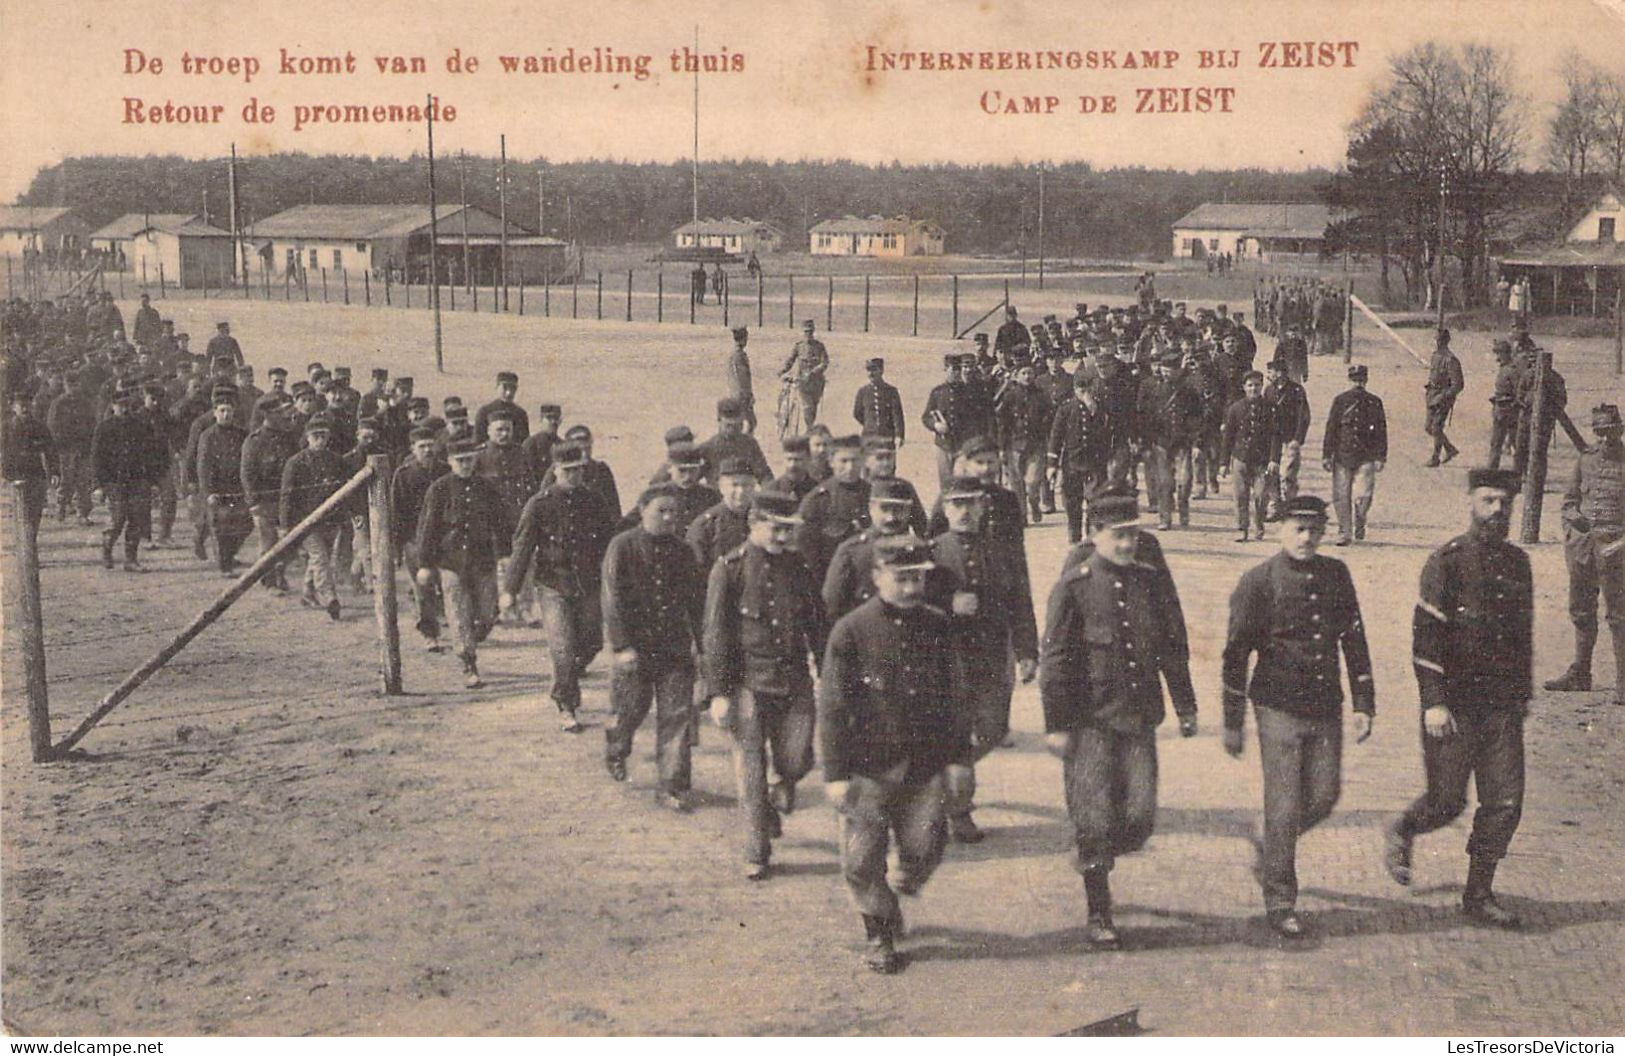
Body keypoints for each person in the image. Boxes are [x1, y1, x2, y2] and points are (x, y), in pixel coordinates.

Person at [1040, 490, 1197, 948]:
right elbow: (1056, 662)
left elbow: (1172, 646)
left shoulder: (1150, 582)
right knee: (1093, 819)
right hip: (1089, 721)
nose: (1127, 545)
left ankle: (1095, 854)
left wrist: (1186, 706)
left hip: (1139, 716)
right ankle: (1099, 908)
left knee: (1139, 817)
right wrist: (1056, 726)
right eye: (1117, 536)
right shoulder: (1074, 587)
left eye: (1132, 535)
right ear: (1094, 535)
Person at [1221, 495, 1375, 938]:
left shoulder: (1337, 576)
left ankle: (1271, 846)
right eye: (1298, 528)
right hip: (1276, 704)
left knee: (1324, 797)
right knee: (1285, 804)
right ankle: (1281, 898)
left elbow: (1354, 640)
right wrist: (1233, 722)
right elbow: (1235, 656)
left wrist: (1365, 703)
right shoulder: (1258, 582)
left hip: (1326, 703)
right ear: (1279, 529)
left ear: (1325, 533)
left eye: (1314, 530)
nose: (1306, 538)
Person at [1385, 469, 1531, 929]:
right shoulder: (1445, 562)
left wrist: (1521, 699)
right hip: (1453, 706)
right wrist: (1434, 701)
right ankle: (1404, 828)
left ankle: (1479, 892)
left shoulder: (1518, 563)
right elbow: (1425, 639)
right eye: (1488, 500)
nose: (1497, 511)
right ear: (1470, 501)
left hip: (1501, 707)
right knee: (1447, 803)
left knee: (1506, 803)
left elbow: (1521, 639)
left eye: (1504, 502)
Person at [818, 533, 969, 974]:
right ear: (878, 577)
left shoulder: (939, 626)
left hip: (924, 766)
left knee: (924, 847)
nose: (910, 589)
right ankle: (880, 935)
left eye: (917, 579)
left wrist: (959, 758)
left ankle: (904, 881)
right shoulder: (851, 631)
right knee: (862, 861)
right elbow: (832, 707)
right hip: (867, 767)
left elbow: (957, 697)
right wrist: (835, 774)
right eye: (900, 579)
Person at [705, 490, 829, 877]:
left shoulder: (799, 568)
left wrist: (828, 673)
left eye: (787, 530)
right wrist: (719, 693)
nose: (781, 537)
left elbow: (819, 627)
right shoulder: (729, 569)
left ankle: (785, 784)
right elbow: (716, 635)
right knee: (750, 772)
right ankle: (756, 851)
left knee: (796, 758)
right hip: (747, 685)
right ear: (754, 525)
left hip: (794, 682)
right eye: (775, 529)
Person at [928, 476, 1038, 843]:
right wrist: (948, 604)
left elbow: (1020, 600)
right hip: (949, 658)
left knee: (992, 729)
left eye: (970, 504)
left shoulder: (1001, 550)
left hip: (993, 655)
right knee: (957, 734)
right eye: (956, 504)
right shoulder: (932, 552)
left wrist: (1027, 651)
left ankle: (941, 777)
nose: (963, 511)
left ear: (982, 507)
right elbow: (914, 605)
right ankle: (958, 811)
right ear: (945, 509)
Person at [602, 483, 707, 806]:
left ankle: (671, 785)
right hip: (636, 650)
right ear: (643, 509)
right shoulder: (622, 546)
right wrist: (622, 646)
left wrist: (702, 648)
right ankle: (617, 748)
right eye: (661, 510)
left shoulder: (683, 551)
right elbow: (611, 599)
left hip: (674, 650)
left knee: (677, 717)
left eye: (674, 512)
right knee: (629, 711)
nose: (668, 517)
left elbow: (696, 603)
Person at [504, 440, 618, 732]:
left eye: (578, 470)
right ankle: (567, 704)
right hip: (553, 584)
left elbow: (611, 543)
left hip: (589, 584)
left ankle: (569, 673)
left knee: (592, 640)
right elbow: (523, 548)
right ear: (555, 470)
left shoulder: (594, 501)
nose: (573, 476)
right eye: (567, 471)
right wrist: (509, 590)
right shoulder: (539, 504)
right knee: (562, 648)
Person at [416, 439, 515, 687]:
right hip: (451, 561)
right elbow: (428, 528)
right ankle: (467, 662)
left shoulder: (487, 488)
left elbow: (502, 524)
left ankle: (476, 634)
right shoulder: (439, 489)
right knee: (458, 611)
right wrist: (425, 564)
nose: (465, 465)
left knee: (487, 612)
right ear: (450, 462)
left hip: (482, 560)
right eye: (460, 461)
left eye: (469, 460)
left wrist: (505, 553)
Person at [1544, 404, 1624, 703]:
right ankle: (1581, 673)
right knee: (1580, 610)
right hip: (1584, 550)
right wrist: (1573, 530)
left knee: (1619, 616)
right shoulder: (1585, 460)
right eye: (1600, 433)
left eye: (1610, 433)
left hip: (1618, 551)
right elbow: (1568, 502)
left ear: (1620, 431)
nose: (1605, 440)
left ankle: (1623, 682)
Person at [280, 414, 350, 620]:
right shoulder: (295, 463)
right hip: (306, 521)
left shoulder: (336, 461)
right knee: (319, 556)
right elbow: (287, 495)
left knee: (322, 557)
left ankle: (308, 592)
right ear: (307, 437)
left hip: (330, 520)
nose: (320, 440)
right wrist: (285, 525)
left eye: (323, 436)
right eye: (315, 436)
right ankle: (330, 598)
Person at [821, 478, 917, 621]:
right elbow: (832, 604)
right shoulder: (851, 551)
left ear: (908, 510)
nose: (891, 517)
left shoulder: (919, 551)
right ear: (871, 508)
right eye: (884, 508)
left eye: (898, 509)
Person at [91, 386, 161, 572]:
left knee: (136, 519)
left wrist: (153, 482)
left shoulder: (140, 426)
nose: (124, 408)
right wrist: (98, 485)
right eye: (119, 405)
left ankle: (131, 559)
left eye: (126, 405)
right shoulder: (104, 428)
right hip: (114, 481)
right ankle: (107, 547)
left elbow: (150, 455)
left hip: (137, 480)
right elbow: (97, 458)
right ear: (112, 406)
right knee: (118, 518)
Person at [391, 427, 448, 652]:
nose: (427, 450)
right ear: (413, 449)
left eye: (430, 445)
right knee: (423, 587)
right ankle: (429, 633)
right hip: (415, 540)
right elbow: (397, 514)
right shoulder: (404, 475)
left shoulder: (446, 471)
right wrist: (397, 548)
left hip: (444, 540)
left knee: (448, 583)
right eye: (422, 446)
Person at [1322, 364, 1388, 546]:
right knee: (1341, 495)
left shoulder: (1375, 402)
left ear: (1366, 381)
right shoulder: (1340, 401)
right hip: (1343, 455)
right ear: (1349, 380)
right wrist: (1327, 455)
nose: (1357, 383)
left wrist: (1381, 456)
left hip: (1366, 456)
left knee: (1364, 495)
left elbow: (1381, 431)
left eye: (1361, 380)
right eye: (1354, 380)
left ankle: (1360, 518)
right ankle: (1344, 531)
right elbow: (1331, 429)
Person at [795, 434, 869, 585]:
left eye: (855, 460)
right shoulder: (817, 500)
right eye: (843, 461)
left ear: (863, 461)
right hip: (828, 579)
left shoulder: (873, 495)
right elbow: (806, 552)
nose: (850, 467)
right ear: (831, 462)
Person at [1047, 372, 1110, 544]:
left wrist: (1094, 411)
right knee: (1072, 501)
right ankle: (1074, 536)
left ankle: (1091, 536)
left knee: (1094, 499)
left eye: (1087, 388)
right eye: (1080, 388)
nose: (1084, 392)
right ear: (1074, 389)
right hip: (1072, 462)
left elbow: (1105, 432)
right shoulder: (1066, 408)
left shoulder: (1100, 407)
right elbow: (1056, 436)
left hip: (1094, 462)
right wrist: (1052, 464)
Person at [195, 386, 251, 576]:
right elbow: (203, 467)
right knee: (222, 527)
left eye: (229, 411)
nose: (226, 414)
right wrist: (208, 492)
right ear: (215, 413)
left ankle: (226, 552)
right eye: (222, 411)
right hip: (216, 488)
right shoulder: (208, 436)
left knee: (246, 524)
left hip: (237, 487)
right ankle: (225, 566)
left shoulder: (242, 434)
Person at [1220, 371, 1279, 543]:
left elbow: (1276, 435)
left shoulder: (1270, 408)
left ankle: (1259, 523)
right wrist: (1224, 462)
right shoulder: (1235, 408)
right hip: (1240, 458)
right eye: (1250, 385)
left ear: (1262, 387)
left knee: (1261, 496)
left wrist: (1274, 459)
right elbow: (1228, 437)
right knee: (1240, 495)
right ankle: (1242, 528)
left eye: (1257, 385)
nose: (1254, 388)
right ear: (1244, 387)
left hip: (1262, 460)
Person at [995, 360, 1052, 524]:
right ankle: (1021, 515)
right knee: (1016, 483)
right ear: (1017, 376)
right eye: (1023, 373)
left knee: (1032, 482)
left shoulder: (1041, 395)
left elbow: (1050, 416)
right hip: (1014, 445)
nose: (1027, 377)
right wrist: (1001, 447)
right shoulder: (1010, 396)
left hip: (1036, 445)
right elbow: (1003, 424)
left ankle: (1034, 502)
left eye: (1030, 373)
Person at [3, 387, 57, 541]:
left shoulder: (39, 426)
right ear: (14, 407)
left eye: (28, 404)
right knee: (22, 514)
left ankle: (29, 545)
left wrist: (54, 472)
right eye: (21, 405)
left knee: (35, 514)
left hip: (36, 475)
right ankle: (25, 551)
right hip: (16, 476)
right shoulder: (6, 428)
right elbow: (3, 453)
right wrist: (6, 476)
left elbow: (50, 450)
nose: (25, 408)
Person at [1262, 357, 1311, 520]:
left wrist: (1298, 439)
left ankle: (1289, 505)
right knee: (1271, 472)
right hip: (1272, 438)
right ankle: (1274, 506)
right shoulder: (1268, 390)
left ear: (1281, 372)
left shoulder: (1297, 390)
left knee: (1288, 474)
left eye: (1272, 371)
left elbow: (1303, 416)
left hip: (1290, 438)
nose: (1269, 374)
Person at [47, 371, 98, 525]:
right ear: (65, 385)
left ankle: (83, 513)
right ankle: (62, 506)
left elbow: (92, 424)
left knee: (83, 481)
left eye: (75, 384)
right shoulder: (58, 403)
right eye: (70, 385)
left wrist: (88, 443)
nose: (73, 388)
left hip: (83, 448)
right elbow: (53, 427)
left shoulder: (86, 403)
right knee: (66, 480)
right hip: (65, 449)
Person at [698, 397, 773, 486]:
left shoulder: (750, 444)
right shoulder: (708, 448)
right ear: (719, 420)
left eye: (738, 425)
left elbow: (764, 475)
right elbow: (692, 477)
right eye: (729, 426)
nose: (733, 430)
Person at [776, 320, 829, 438]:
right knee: (807, 407)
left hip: (816, 383)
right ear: (802, 333)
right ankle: (809, 431)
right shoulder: (799, 346)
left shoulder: (820, 346)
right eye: (806, 332)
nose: (808, 335)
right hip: (802, 383)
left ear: (813, 332)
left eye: (810, 332)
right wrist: (782, 370)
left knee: (813, 408)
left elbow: (825, 362)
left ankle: (810, 428)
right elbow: (790, 360)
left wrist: (814, 372)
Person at [1423, 329, 1464, 467]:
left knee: (1436, 427)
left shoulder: (1451, 360)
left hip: (1443, 398)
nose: (1435, 343)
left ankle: (1435, 458)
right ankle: (1450, 449)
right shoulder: (1435, 356)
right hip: (1431, 395)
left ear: (1443, 341)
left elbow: (1458, 384)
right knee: (1428, 427)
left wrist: (1445, 396)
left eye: (1438, 340)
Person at [853, 357, 905, 447]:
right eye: (868, 370)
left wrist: (899, 435)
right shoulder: (863, 392)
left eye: (874, 370)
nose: (870, 374)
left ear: (881, 371)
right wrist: (870, 425)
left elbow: (897, 416)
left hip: (887, 437)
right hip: (868, 438)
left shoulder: (891, 391)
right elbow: (857, 413)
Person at [1487, 340, 1519, 469]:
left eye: (1499, 354)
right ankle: (1492, 469)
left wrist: (1511, 406)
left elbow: (1519, 392)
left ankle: (1521, 470)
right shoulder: (1504, 368)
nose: (1497, 358)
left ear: (1506, 354)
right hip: (1500, 409)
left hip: (1508, 411)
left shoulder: (1512, 371)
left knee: (1514, 443)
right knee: (1496, 443)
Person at [474, 371, 530, 443]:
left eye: (513, 389)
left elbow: (524, 442)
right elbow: (478, 441)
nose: (509, 393)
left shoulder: (521, 414)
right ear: (497, 387)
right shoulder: (484, 412)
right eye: (505, 388)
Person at [725, 327, 758, 434]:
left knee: (741, 422)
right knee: (750, 422)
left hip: (734, 392)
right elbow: (743, 377)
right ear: (743, 339)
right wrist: (749, 395)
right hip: (742, 394)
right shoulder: (739, 356)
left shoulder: (732, 355)